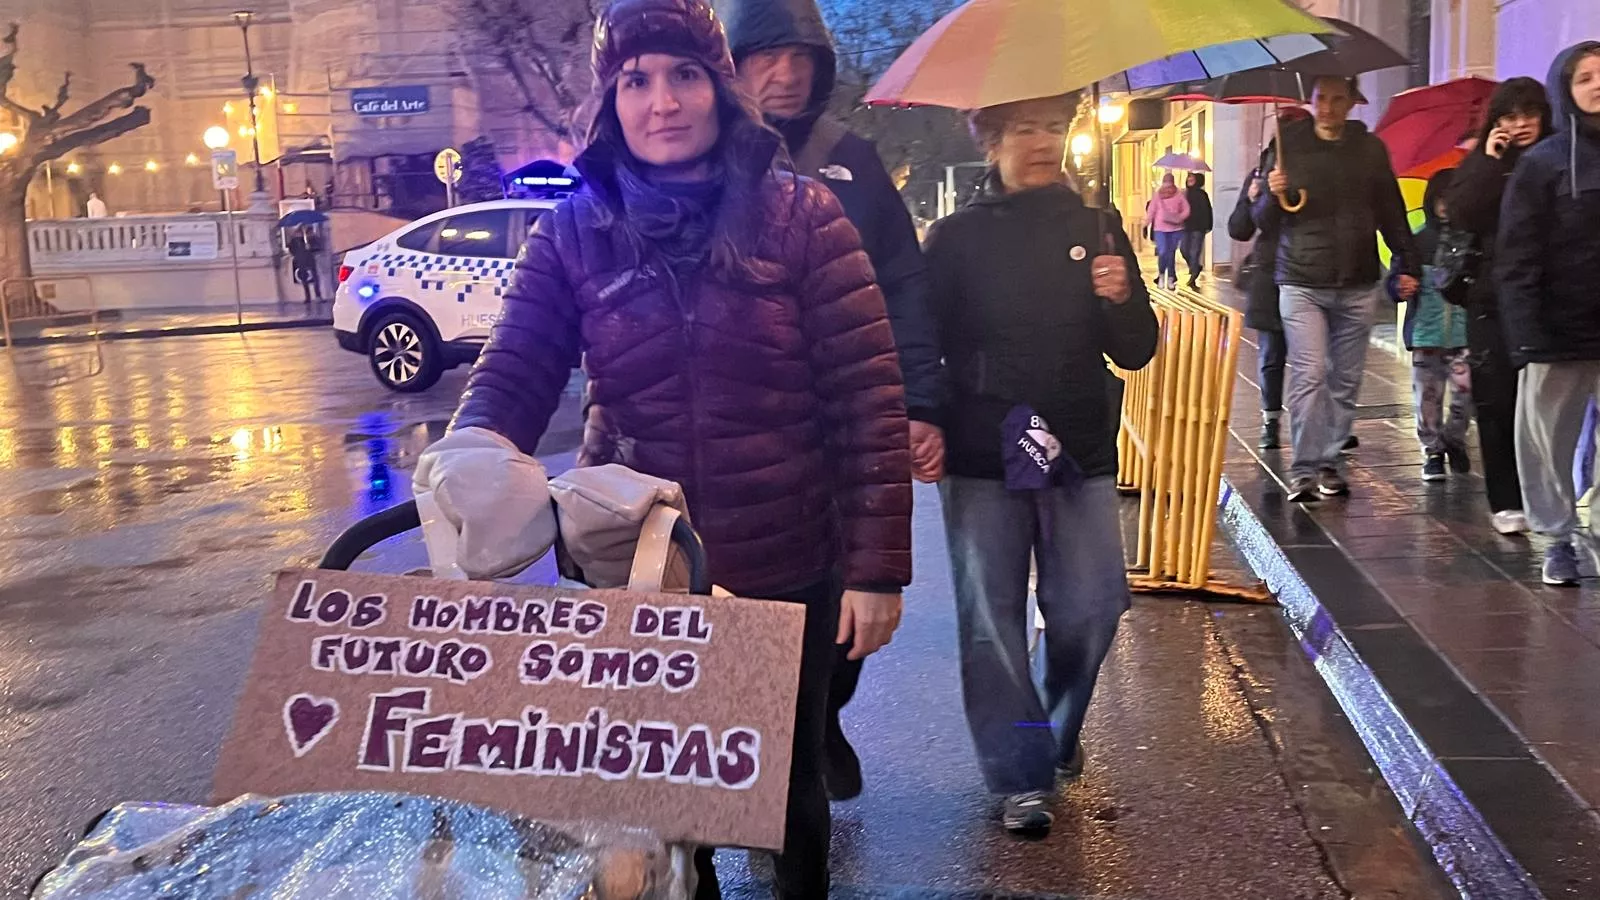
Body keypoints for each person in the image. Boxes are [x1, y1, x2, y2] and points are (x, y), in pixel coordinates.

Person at [422, 0, 913, 893]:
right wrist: (467, 464)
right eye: (637, 81)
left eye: (684, 75)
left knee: (785, 795)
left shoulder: (805, 218)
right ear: (610, 101)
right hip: (636, 568)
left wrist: (877, 569)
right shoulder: (574, 229)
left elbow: (868, 400)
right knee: (662, 795)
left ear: (720, 89)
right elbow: (516, 369)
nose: (663, 102)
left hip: (784, 561)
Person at [717, 0, 948, 803]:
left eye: (800, 57)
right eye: (765, 58)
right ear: (735, 65)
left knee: (850, 597)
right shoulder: (703, 164)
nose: (784, 75)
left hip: (845, 422)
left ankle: (820, 716)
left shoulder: (850, 159)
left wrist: (922, 402)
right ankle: (771, 747)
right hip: (747, 434)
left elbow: (904, 283)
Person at [922, 93, 1158, 836]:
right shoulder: (955, 239)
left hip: (1075, 445)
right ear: (989, 138)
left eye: (1056, 127)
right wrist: (919, 417)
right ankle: (1020, 776)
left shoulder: (1096, 224)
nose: (1043, 142)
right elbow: (923, 345)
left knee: (1091, 609)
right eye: (1025, 128)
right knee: (992, 621)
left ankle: (1054, 731)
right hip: (984, 449)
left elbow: (1136, 348)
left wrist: (1122, 300)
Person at [1256, 75, 1420, 502]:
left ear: (1351, 103)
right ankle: (1304, 470)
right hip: (1301, 279)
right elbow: (1260, 224)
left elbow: (1390, 208)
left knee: (1344, 379)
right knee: (1310, 375)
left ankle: (1330, 461)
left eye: (1337, 99)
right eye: (1320, 98)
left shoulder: (1369, 149)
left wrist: (1406, 258)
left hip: (1357, 281)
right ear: (1310, 101)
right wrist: (1270, 196)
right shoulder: (1287, 145)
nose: (1327, 107)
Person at [1496, 41, 1600, 586]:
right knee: (1544, 442)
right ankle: (1557, 537)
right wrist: (1525, 331)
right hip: (1556, 327)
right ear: (1566, 89)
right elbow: (1517, 253)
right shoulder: (1543, 162)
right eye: (1585, 78)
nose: (1598, 85)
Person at [1442, 76, 1551, 535]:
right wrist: (1489, 162)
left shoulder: (1560, 158)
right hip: (1491, 296)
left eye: (1529, 114)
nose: (1521, 124)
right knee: (1497, 398)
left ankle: (1548, 494)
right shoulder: (1482, 162)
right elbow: (1462, 212)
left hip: (1550, 293)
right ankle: (1506, 499)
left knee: (1546, 403)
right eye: (1510, 116)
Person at [1396, 169, 1471, 481]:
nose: (1445, 207)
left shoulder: (1469, 241)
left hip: (1463, 336)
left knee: (1466, 394)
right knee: (1428, 398)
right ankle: (1433, 451)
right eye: (1440, 200)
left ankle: (1453, 437)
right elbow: (1396, 275)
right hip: (1426, 337)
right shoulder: (1417, 242)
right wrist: (1398, 285)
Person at [1229, 161, 1287, 449]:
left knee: (1315, 361)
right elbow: (1239, 228)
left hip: (1311, 274)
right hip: (1270, 274)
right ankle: (1271, 420)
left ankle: (1327, 425)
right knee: (1271, 355)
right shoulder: (1260, 172)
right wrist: (1255, 199)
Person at [1145, 172, 1189, 289]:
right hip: (1160, 229)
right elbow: (1151, 210)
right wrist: (1146, 224)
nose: (1167, 186)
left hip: (1175, 228)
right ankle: (1161, 274)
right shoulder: (1158, 195)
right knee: (1163, 252)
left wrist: (1180, 217)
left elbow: (1186, 209)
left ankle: (1171, 277)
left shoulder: (1179, 195)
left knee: (1170, 253)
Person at [1181, 171, 1213, 290]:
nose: (1189, 180)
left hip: (1198, 228)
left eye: (1192, 178)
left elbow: (1208, 211)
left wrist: (1209, 225)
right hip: (1185, 227)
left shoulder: (1202, 194)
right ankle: (1195, 267)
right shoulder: (1184, 194)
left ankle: (1193, 277)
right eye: (1188, 177)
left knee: (1195, 252)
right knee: (1184, 249)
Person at [287, 226, 323, 302]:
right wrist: (297, 256)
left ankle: (318, 296)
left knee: (315, 278)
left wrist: (310, 247)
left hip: (310, 260)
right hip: (301, 261)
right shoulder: (294, 241)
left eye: (300, 232)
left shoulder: (309, 239)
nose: (299, 234)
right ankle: (308, 297)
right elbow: (292, 250)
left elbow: (318, 247)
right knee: (304, 279)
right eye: (298, 233)